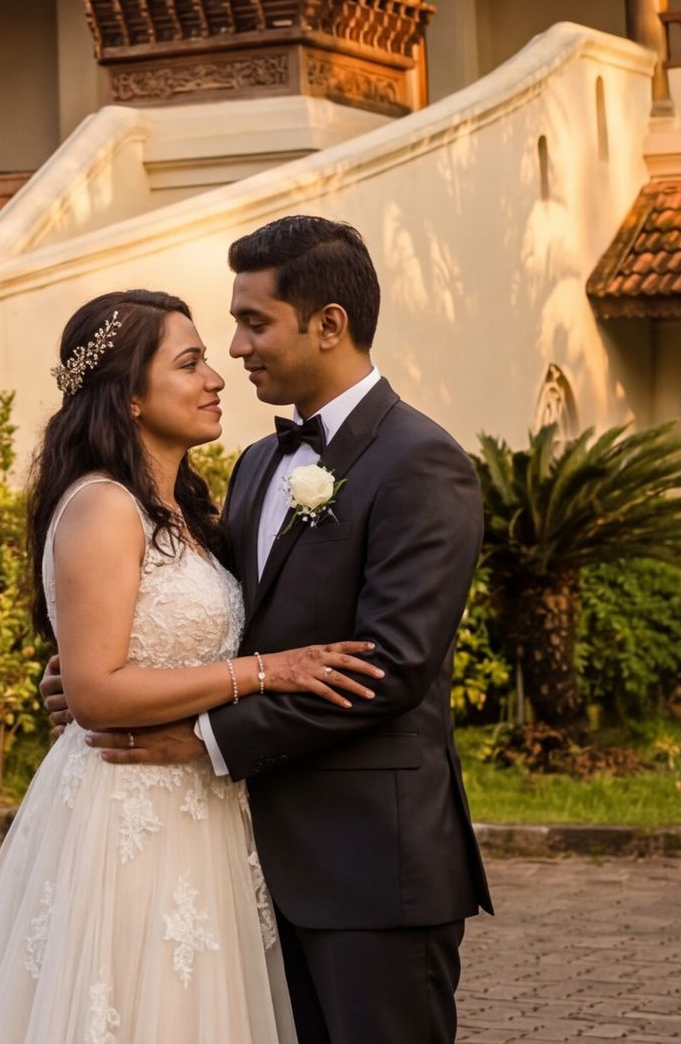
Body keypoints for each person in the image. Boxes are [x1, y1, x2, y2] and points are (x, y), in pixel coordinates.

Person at [42, 216, 490, 1044]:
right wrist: (90, 667)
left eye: (254, 322)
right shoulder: (252, 464)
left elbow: (388, 667)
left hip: (368, 865)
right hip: (241, 864)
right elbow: (213, 618)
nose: (236, 349)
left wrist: (205, 736)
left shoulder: (421, 461)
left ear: (329, 324)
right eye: (224, 331)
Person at [0, 288, 386, 1041]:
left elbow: (129, 651)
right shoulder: (102, 505)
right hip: (127, 814)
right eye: (190, 361)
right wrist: (265, 672)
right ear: (130, 394)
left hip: (205, 812)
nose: (217, 375)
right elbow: (98, 692)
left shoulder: (187, 513)